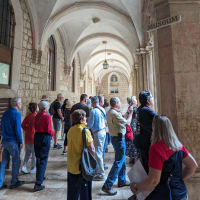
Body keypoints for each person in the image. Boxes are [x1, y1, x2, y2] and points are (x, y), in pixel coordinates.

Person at [130, 115, 198, 200]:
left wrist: (136, 187)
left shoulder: (156, 148)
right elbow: (193, 165)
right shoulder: (178, 146)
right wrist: (178, 180)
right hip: (181, 194)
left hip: (164, 195)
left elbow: (154, 181)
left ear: (154, 128)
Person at [102, 97, 132, 195]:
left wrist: (127, 113)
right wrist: (131, 114)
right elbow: (127, 123)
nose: (120, 103)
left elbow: (122, 118)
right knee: (119, 162)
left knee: (122, 160)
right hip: (118, 139)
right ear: (116, 103)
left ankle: (122, 180)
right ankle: (107, 185)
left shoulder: (112, 112)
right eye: (119, 102)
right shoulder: (114, 113)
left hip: (116, 138)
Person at [67, 109, 95, 200]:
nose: (86, 118)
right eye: (85, 117)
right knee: (84, 192)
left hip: (71, 165)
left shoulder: (71, 130)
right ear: (82, 119)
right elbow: (92, 149)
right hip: (82, 167)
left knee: (72, 193)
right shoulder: (84, 131)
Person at [0, 97, 24, 189]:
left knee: (3, 163)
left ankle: (0, 183)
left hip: (5, 141)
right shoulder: (16, 114)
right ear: (17, 104)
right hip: (13, 141)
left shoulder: (5, 113)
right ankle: (14, 181)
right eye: (20, 102)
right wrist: (20, 141)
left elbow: (2, 127)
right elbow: (18, 130)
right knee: (16, 161)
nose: (21, 104)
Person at [34, 101, 54, 191]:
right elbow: (49, 129)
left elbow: (35, 126)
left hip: (37, 136)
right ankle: (38, 183)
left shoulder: (37, 115)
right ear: (45, 108)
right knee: (43, 159)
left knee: (38, 158)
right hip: (44, 137)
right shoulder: (47, 116)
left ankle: (40, 176)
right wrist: (53, 134)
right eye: (48, 106)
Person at [135, 90, 157, 173]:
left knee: (144, 161)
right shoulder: (146, 110)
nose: (153, 99)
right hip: (146, 140)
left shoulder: (140, 109)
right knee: (147, 163)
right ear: (148, 100)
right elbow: (161, 120)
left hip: (140, 140)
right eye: (151, 97)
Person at [87, 96, 107, 181]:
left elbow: (91, 123)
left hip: (98, 132)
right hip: (103, 131)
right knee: (100, 152)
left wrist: (85, 127)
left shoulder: (93, 111)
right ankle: (99, 170)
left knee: (98, 153)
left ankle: (101, 173)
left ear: (92, 102)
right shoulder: (102, 109)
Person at [21, 103, 39, 174]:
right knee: (34, 153)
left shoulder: (28, 116)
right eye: (37, 107)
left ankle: (24, 166)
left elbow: (22, 125)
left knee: (28, 153)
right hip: (34, 137)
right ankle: (33, 168)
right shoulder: (36, 116)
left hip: (27, 136)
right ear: (35, 108)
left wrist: (27, 130)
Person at [125, 96, 139, 164]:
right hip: (134, 126)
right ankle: (135, 159)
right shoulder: (135, 108)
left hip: (131, 126)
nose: (137, 101)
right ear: (133, 101)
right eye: (136, 100)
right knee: (134, 142)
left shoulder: (129, 107)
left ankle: (131, 158)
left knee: (131, 142)